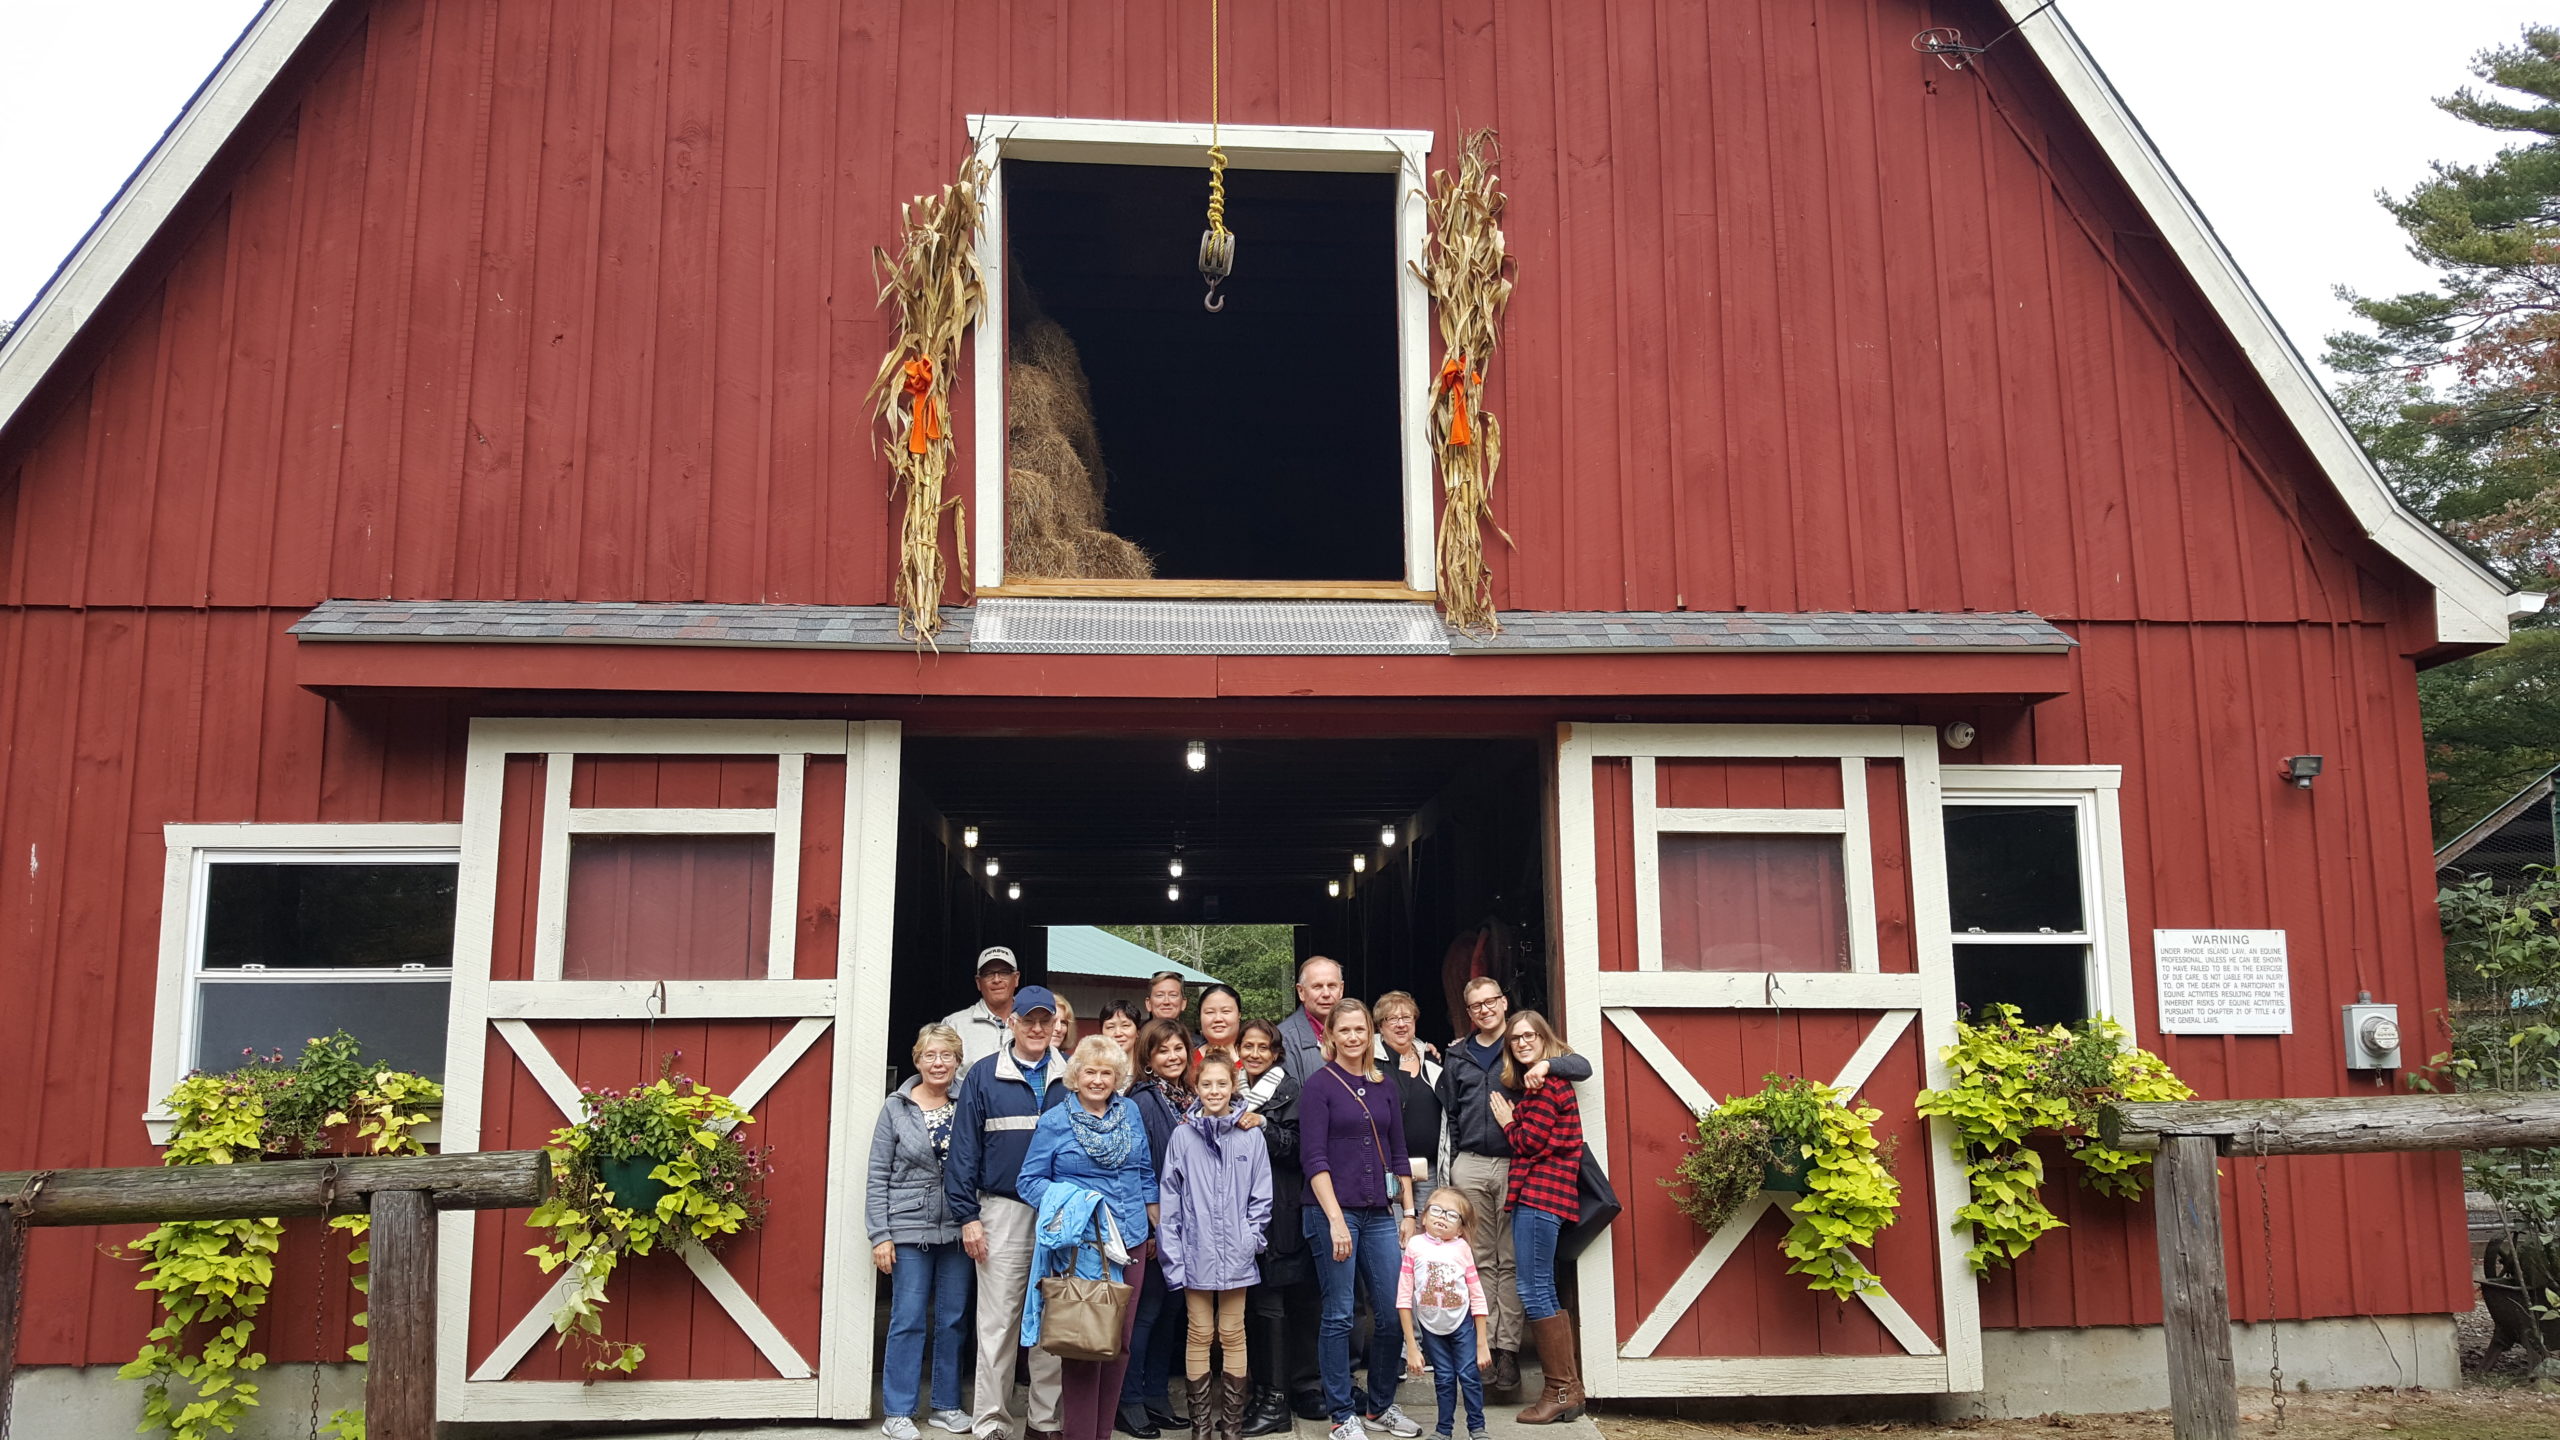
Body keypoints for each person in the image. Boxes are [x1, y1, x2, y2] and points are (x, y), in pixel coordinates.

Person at [1433, 976, 1589, 1398]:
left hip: (1516, 1165)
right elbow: (1447, 1110)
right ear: (1467, 1012)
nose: (1485, 1010)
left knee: (1513, 1262)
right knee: (1477, 1259)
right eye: (1475, 1005)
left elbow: (1582, 1065)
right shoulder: (1457, 1054)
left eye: (1491, 1001)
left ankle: (1508, 1352)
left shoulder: (1522, 1045)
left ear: (1504, 1002)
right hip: (1471, 1164)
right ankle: (1483, 1350)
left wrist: (1546, 1064)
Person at [1019, 1035, 1162, 1440]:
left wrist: (1155, 1223)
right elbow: (1028, 1181)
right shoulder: (1055, 1120)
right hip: (1081, 1246)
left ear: (1117, 1078)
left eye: (1106, 1073)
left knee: (1119, 1345)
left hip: (1130, 1239)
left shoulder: (1130, 1111)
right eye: (1090, 1071)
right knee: (1084, 1346)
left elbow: (1145, 1173)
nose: (1098, 1080)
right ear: (1075, 1075)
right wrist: (1075, 1202)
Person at [948, 985, 1071, 1440]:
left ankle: (1044, 1422)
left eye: (1046, 1020)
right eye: (1029, 1020)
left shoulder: (1072, 1073)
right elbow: (963, 1152)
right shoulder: (983, 1075)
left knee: (1052, 1325)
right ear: (1012, 1023)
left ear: (1055, 1025)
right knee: (998, 1323)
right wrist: (968, 1216)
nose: (1038, 1028)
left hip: (1059, 1215)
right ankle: (992, 1423)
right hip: (1000, 1211)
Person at [1300, 998, 1421, 1440]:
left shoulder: (1384, 1083)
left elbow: (1399, 1151)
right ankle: (1341, 1415)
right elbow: (1314, 1159)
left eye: (1360, 1030)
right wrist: (1333, 1219)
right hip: (1334, 1213)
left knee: (1392, 1311)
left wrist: (1407, 1211)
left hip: (1380, 1214)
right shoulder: (1320, 1086)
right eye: (1344, 1030)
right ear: (1330, 1036)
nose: (1353, 1037)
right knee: (1339, 1315)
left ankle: (1380, 1405)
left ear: (1371, 1033)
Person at [870, 1024, 975, 1440]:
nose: (938, 1063)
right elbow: (877, 1174)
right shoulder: (895, 1108)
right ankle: (898, 1411)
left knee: (952, 1320)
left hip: (957, 1228)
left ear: (957, 1061)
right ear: (917, 1060)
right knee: (909, 1319)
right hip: (908, 1228)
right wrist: (880, 1234)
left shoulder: (967, 1102)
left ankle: (946, 1405)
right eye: (930, 1055)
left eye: (946, 1056)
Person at [1158, 1055, 1271, 1440]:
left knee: (1233, 1331)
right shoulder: (1183, 1136)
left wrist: (1251, 1237)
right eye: (1207, 1085)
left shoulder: (1250, 1134)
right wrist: (1174, 1251)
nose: (1214, 1092)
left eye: (1222, 1084)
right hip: (1196, 1249)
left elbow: (1261, 1195)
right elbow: (1170, 1197)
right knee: (1200, 1331)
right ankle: (1201, 1427)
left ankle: (1232, 1427)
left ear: (1233, 1085)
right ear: (1197, 1087)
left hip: (1237, 1250)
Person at [1487, 1011, 1584, 1426]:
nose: (1522, 1043)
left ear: (1545, 1039)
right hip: (1545, 1196)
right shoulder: (1540, 1084)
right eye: (1516, 1039)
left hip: (1541, 1196)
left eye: (1530, 1036)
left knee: (1534, 1288)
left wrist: (1509, 1123)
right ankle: (1569, 1390)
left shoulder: (1546, 1085)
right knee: (1540, 1287)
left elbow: (1530, 1142)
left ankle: (1559, 1390)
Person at [1234, 1021, 1316, 1436]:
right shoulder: (1228, 1089)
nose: (1253, 1053)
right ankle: (1263, 1393)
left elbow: (1301, 1149)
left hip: (1281, 1212)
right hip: (1238, 1213)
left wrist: (1263, 1127)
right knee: (1254, 1308)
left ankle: (1276, 1400)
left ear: (1276, 1053)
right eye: (1247, 1046)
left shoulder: (1289, 1092)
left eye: (1262, 1047)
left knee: (1274, 1304)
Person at [1120, 1021, 1197, 1437]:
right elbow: (1140, 1166)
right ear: (1148, 1058)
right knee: (1145, 1313)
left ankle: (1155, 1395)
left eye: (1178, 1048)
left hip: (1188, 1226)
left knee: (1171, 1311)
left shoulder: (1190, 1097)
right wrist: (1151, 1228)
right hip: (1154, 1224)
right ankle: (1129, 1400)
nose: (1173, 1056)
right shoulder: (1143, 1100)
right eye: (1162, 1050)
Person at [1396, 1188, 1490, 1440]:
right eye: (1435, 1210)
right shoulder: (1414, 1246)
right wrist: (1412, 1347)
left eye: (1451, 1214)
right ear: (1423, 1217)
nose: (1442, 1217)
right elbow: (1404, 1298)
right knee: (1445, 1378)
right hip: (1430, 1325)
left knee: (1469, 1375)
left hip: (1462, 1322)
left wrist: (1482, 1343)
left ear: (1461, 1228)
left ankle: (1477, 1428)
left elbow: (1477, 1296)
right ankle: (1443, 1430)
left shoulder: (1462, 1249)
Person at [1372, 992, 1447, 1199]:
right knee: (1396, 1228)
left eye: (1407, 1017)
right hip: (1388, 1168)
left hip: (1428, 1169)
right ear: (1380, 1026)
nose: (1401, 1024)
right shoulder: (1369, 1062)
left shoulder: (1431, 1058)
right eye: (1392, 1019)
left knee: (1428, 1228)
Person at [945, 946, 1024, 1068]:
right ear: (978, 982)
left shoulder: (1033, 1023)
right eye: (988, 974)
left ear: (1016, 978)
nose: (997, 980)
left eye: (1004, 972)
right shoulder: (955, 1025)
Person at [1277, 957, 1345, 1083]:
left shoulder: (1356, 1034)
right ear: (1301, 991)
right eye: (1317, 986)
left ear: (1341, 990)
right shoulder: (1283, 1040)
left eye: (1332, 986)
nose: (1326, 994)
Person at [1195, 983, 1244, 1067]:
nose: (1218, 1019)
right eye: (1210, 1012)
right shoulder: (1186, 1061)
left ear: (1239, 1015)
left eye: (1226, 1011)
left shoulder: (1254, 1059)